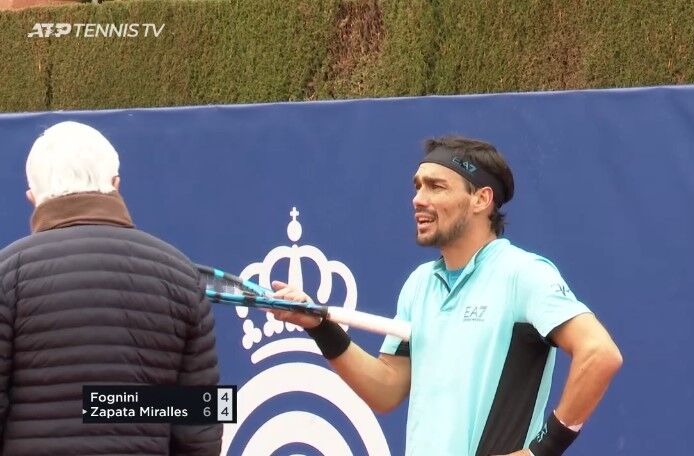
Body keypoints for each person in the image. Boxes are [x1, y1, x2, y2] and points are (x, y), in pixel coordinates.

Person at [270, 136, 622, 456]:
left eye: (436, 187)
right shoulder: (419, 284)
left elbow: (600, 354)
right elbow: (386, 390)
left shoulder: (524, 274)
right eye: (418, 186)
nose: (418, 199)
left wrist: (541, 451)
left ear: (481, 199)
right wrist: (321, 327)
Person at [0, 121, 222, 455]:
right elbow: (200, 421)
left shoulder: (7, 273)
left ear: (33, 198)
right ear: (116, 184)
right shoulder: (181, 273)